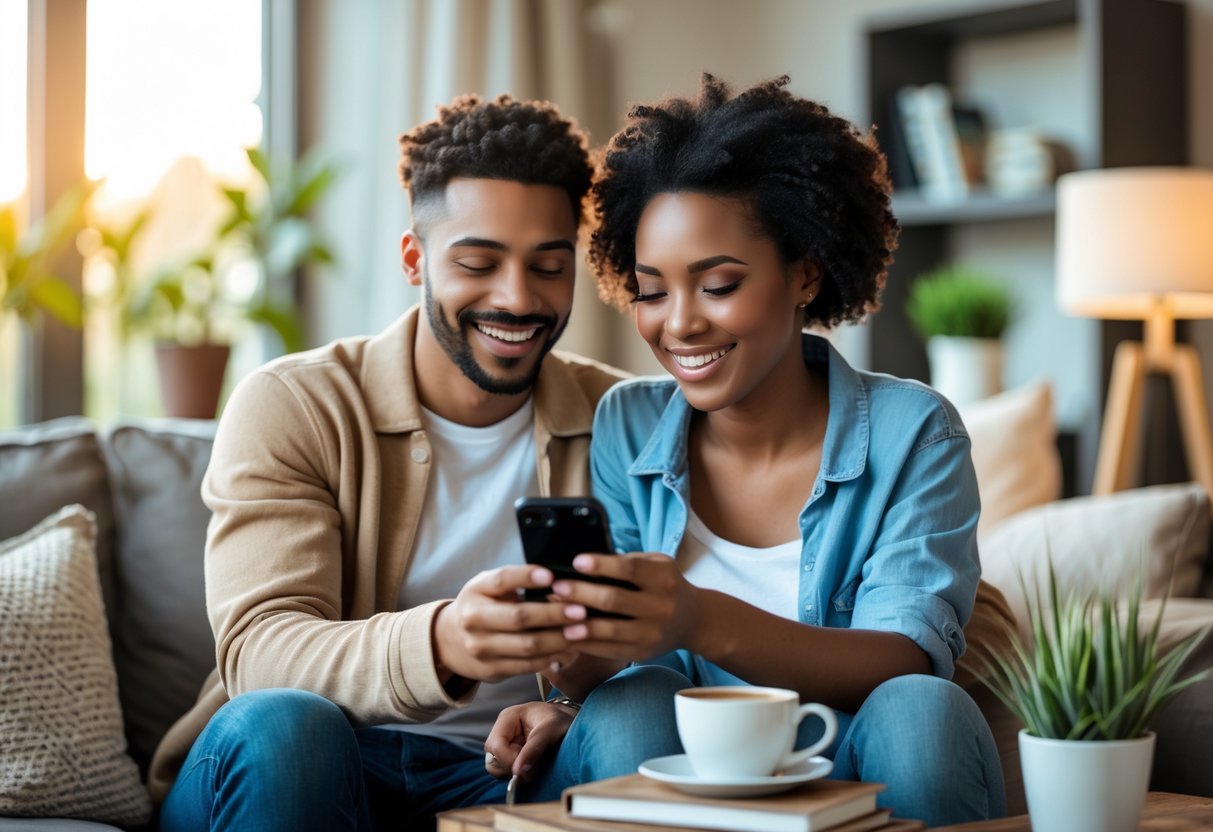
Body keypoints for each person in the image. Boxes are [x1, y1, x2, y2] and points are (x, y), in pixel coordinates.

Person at [485, 74, 1010, 827]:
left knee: (918, 709)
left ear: (804, 273)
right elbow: (616, 673)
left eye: (718, 284)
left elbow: (905, 654)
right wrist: (566, 644)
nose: (680, 325)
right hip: (674, 767)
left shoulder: (913, 432)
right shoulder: (626, 423)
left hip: (845, 765)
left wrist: (698, 619)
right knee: (633, 702)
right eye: (651, 291)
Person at [154, 93, 628, 831]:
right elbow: (260, 650)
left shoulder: (622, 418)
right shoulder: (294, 404)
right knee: (285, 726)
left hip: (505, 778)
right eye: (477, 262)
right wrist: (441, 643)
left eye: (548, 266)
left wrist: (568, 708)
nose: (516, 297)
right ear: (415, 258)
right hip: (314, 759)